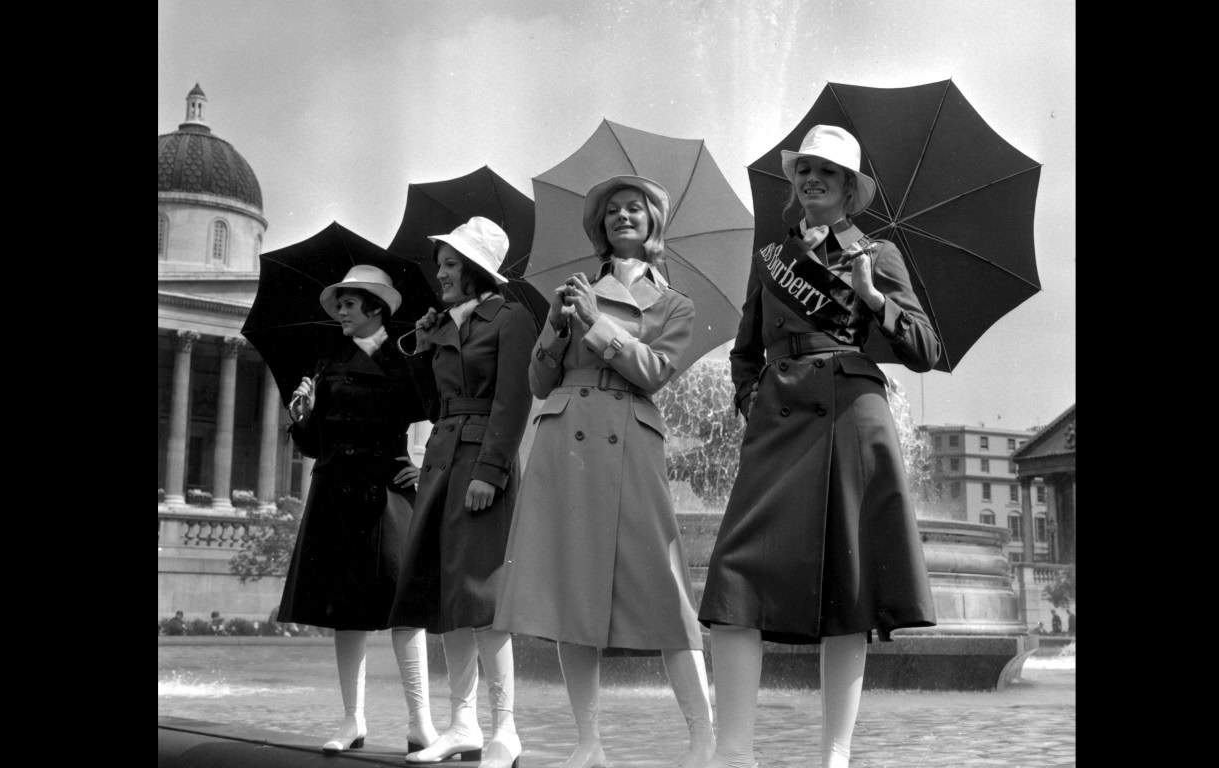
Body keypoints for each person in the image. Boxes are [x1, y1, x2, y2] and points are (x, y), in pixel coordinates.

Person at [697, 124, 942, 768]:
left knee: (850, 585)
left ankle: (835, 756)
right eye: (804, 170)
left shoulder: (878, 254)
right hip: (781, 419)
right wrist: (751, 399)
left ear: (849, 189)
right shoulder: (771, 258)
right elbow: (745, 350)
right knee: (736, 579)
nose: (811, 180)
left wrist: (870, 299)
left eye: (826, 174)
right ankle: (734, 753)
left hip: (850, 415)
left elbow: (924, 349)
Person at [493, 175, 714, 768]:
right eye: (612, 210)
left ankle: (704, 739)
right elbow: (539, 383)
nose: (622, 217)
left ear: (652, 225)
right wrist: (558, 327)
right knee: (570, 596)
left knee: (666, 594)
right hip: (565, 444)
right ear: (600, 227)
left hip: (630, 445)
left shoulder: (674, 303)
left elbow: (655, 371)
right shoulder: (574, 292)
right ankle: (588, 743)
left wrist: (595, 322)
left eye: (634, 209)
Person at [389, 217, 536, 768]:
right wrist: (423, 347)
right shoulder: (445, 325)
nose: (442, 274)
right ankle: (463, 725)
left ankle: (506, 732)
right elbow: (431, 407)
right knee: (447, 598)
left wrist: (491, 471)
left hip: (479, 466)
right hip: (442, 465)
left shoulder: (511, 317)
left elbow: (513, 400)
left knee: (480, 597)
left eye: (452, 265)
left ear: (477, 270)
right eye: (441, 265)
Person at [276, 264, 441, 755]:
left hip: (387, 495)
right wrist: (300, 419)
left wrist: (427, 465)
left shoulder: (408, 358)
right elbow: (313, 443)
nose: (340, 312)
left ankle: (421, 726)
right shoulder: (329, 361)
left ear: (376, 308)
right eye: (340, 304)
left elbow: (442, 409)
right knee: (344, 613)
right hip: (334, 494)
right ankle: (352, 722)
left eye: (348, 304)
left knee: (404, 610)